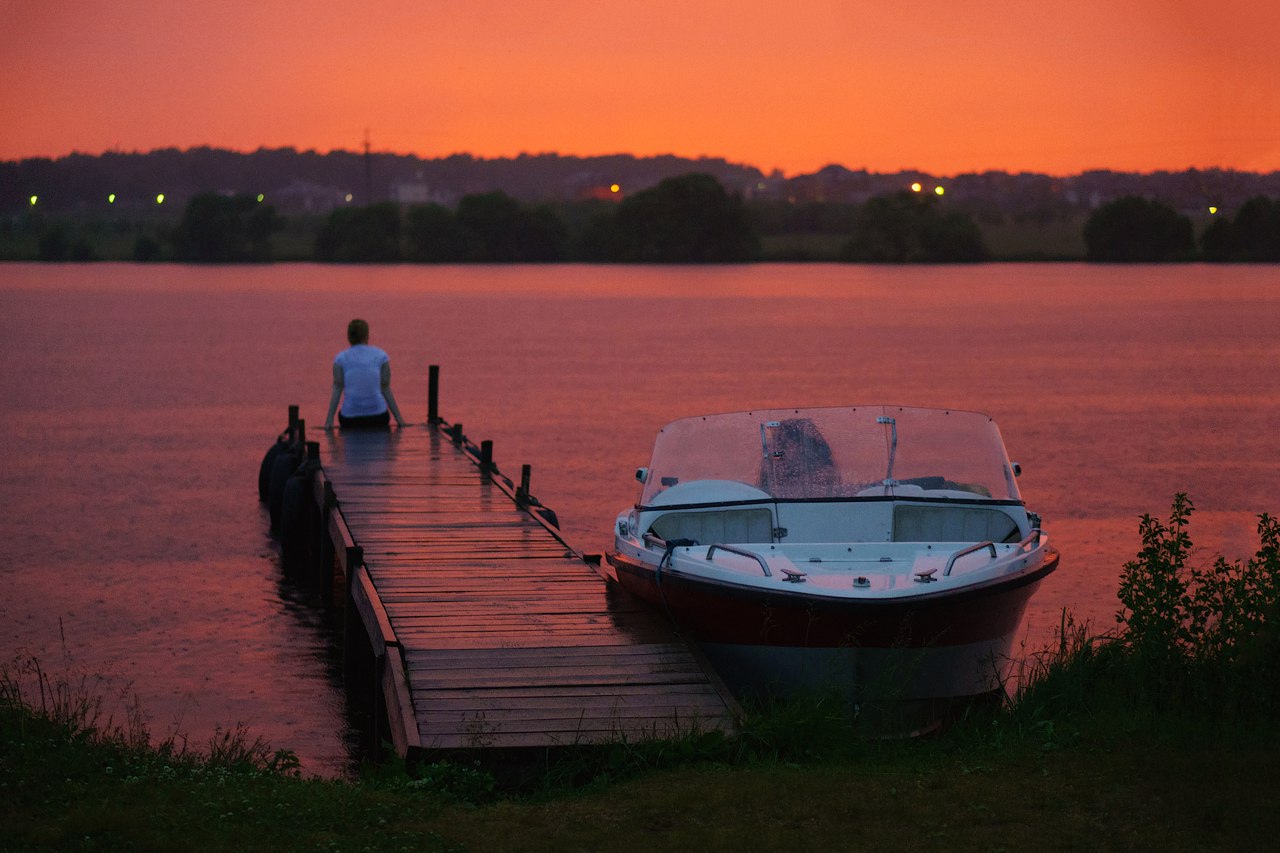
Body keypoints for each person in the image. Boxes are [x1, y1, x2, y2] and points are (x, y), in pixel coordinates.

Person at [323, 318, 406, 430]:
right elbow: (385, 388)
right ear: (367, 335)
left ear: (349, 336)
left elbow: (338, 388)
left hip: (350, 419)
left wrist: (329, 418)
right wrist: (398, 418)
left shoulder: (340, 358)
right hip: (378, 417)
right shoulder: (381, 355)